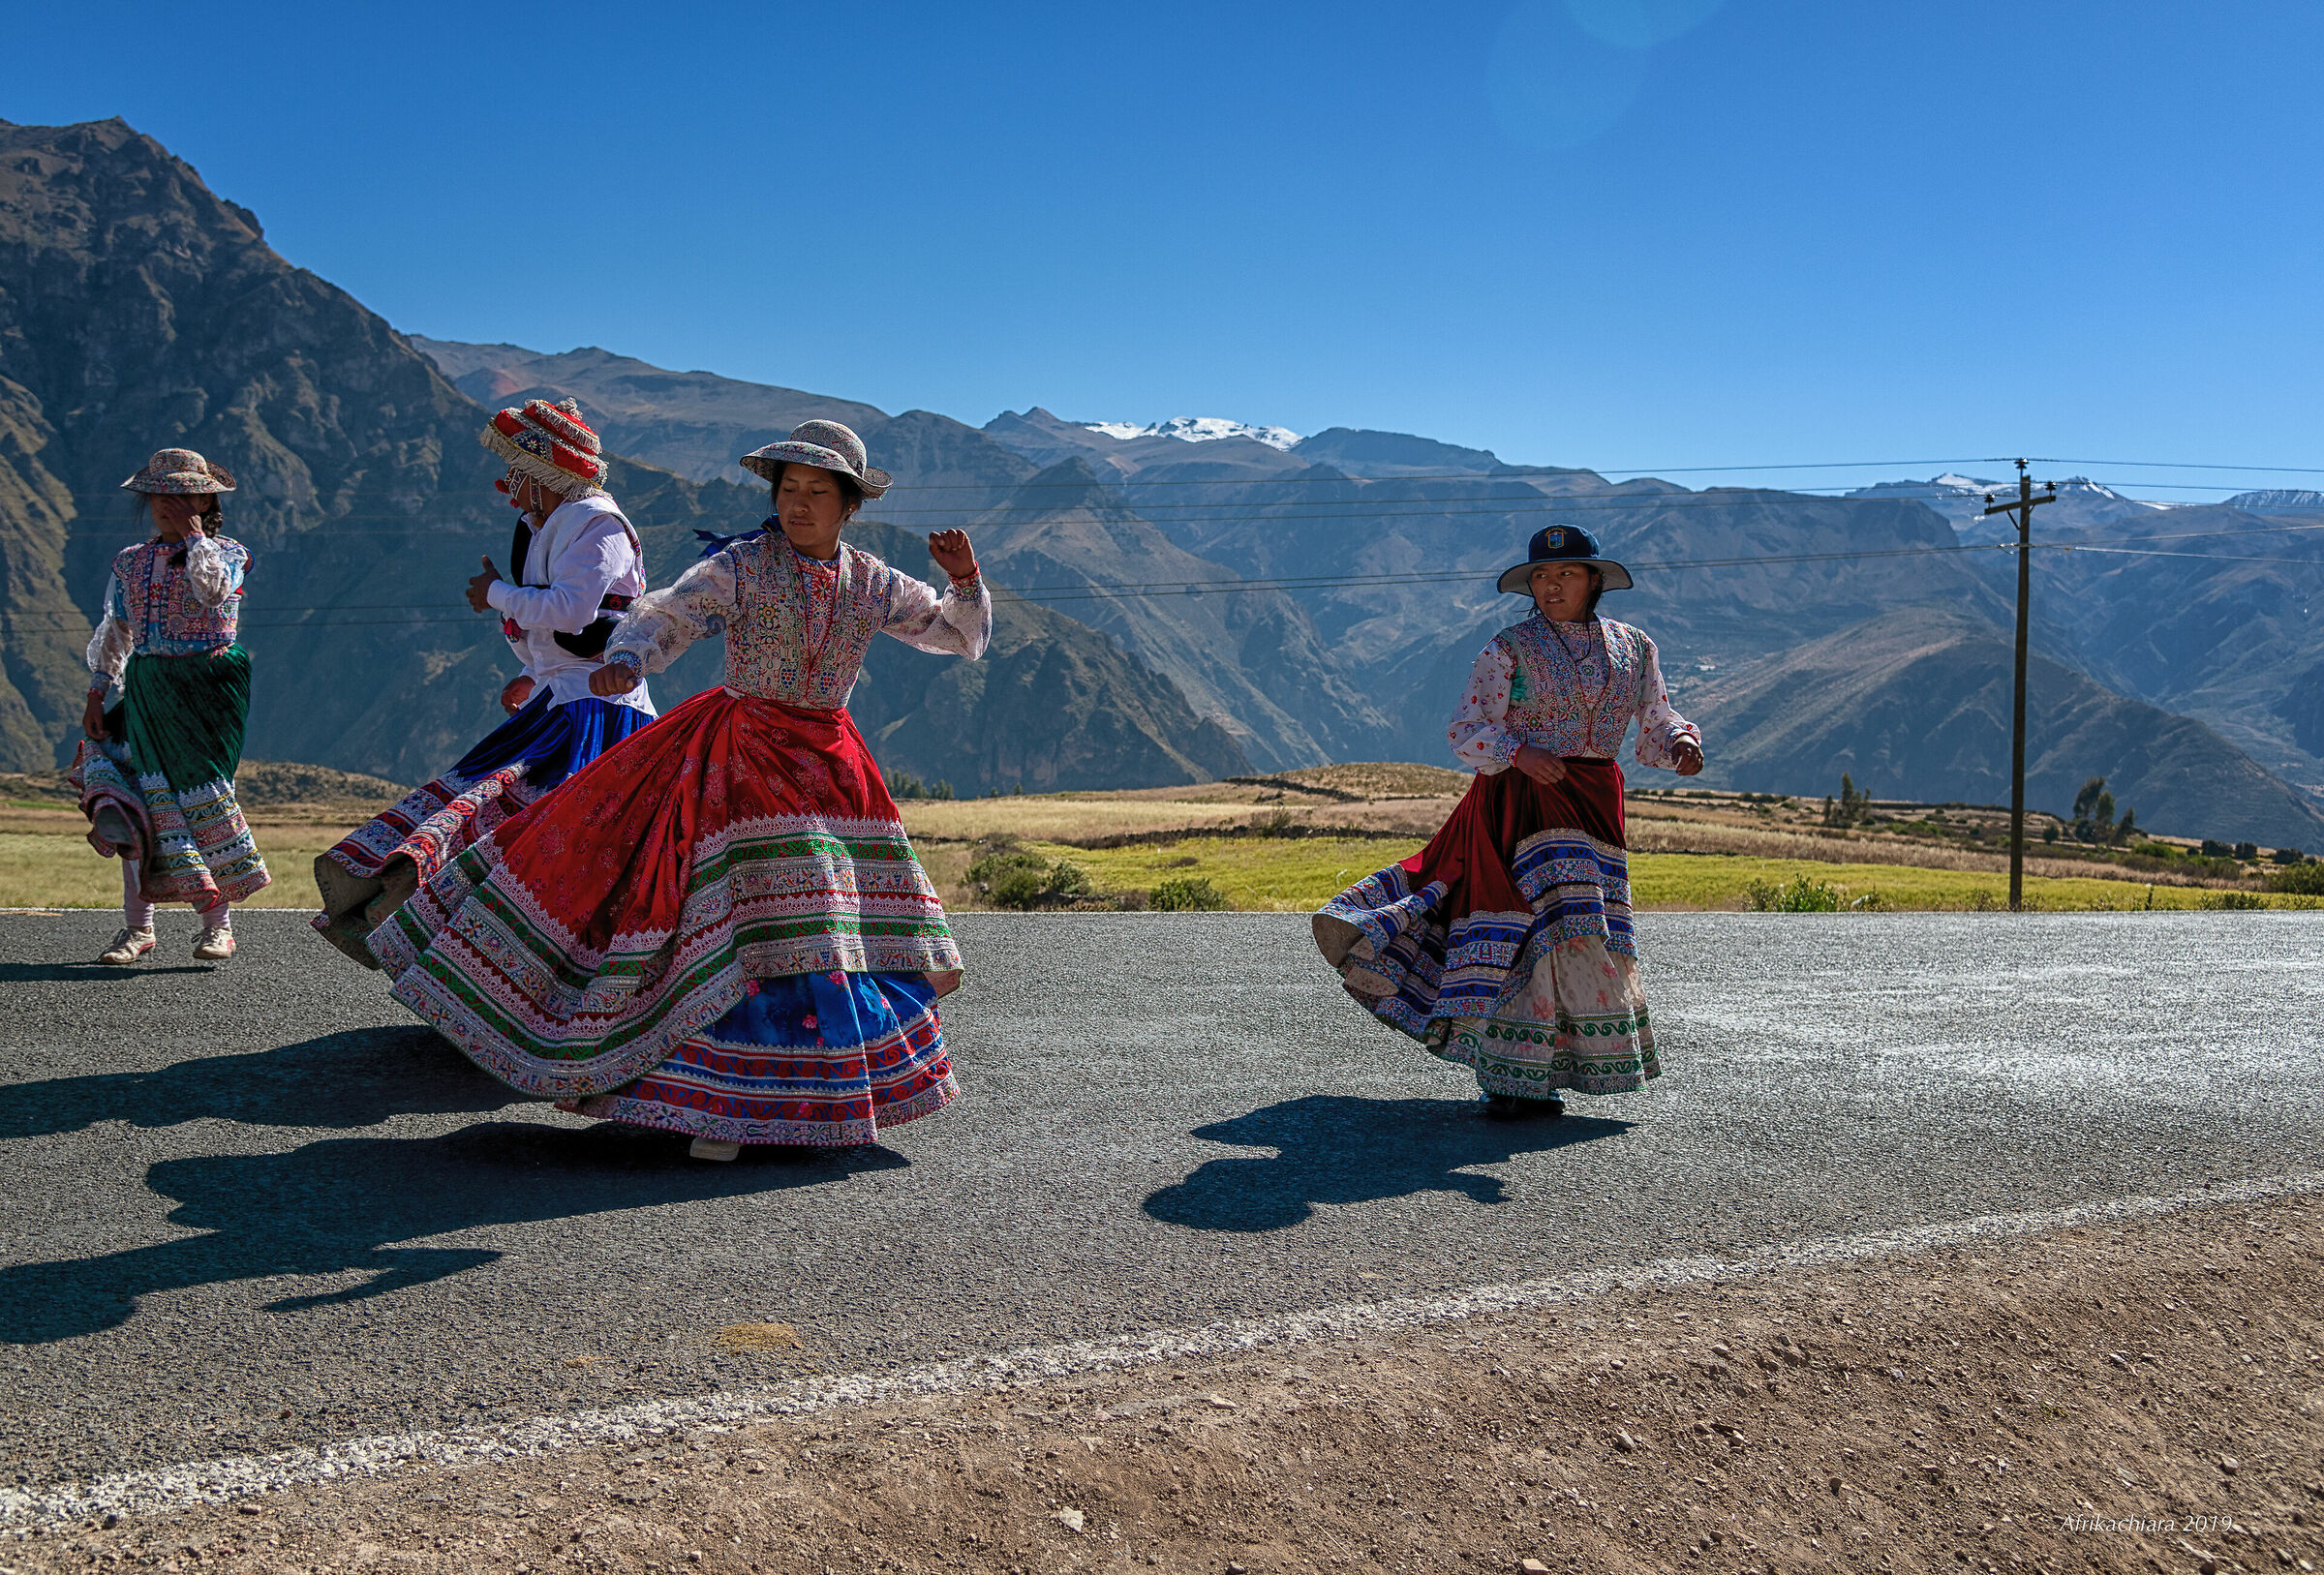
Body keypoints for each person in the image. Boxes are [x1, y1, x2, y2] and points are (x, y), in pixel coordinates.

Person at [373, 420, 990, 1160]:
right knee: (734, 922)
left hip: (830, 762)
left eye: (817, 492)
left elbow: (955, 634)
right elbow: (669, 611)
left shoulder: (871, 581)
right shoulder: (744, 565)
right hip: (744, 755)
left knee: (824, 926)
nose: (799, 504)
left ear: (849, 504)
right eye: (788, 489)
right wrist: (629, 660)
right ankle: (712, 1105)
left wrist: (963, 581)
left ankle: (795, 1099)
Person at [1313, 524, 1704, 1116]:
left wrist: (1678, 741)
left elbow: (1654, 715)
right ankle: (1514, 1075)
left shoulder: (1635, 647)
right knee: (1534, 925)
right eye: (1541, 576)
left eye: (1566, 574)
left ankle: (1558, 1066)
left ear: (1594, 581)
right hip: (1521, 800)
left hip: (1596, 800)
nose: (1551, 585)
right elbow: (1467, 728)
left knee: (1583, 927)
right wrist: (1520, 752)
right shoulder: (1508, 649)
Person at [311, 399, 656, 964]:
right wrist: (528, 672)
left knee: (539, 831)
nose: (510, 488)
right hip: (559, 700)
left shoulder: (598, 528)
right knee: (500, 817)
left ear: (545, 475)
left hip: (598, 711)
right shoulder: (554, 527)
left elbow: (573, 613)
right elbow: (565, 627)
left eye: (518, 472)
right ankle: (448, 944)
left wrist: (495, 593)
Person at [74, 448, 271, 964]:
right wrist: (98, 690)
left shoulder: (228, 553)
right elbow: (118, 630)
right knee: (138, 800)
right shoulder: (130, 562)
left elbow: (211, 593)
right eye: (160, 494)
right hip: (148, 684)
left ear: (205, 499)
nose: (167, 503)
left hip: (209, 686)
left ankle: (217, 927)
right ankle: (137, 929)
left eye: (182, 493)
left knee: (204, 796)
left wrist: (194, 537)